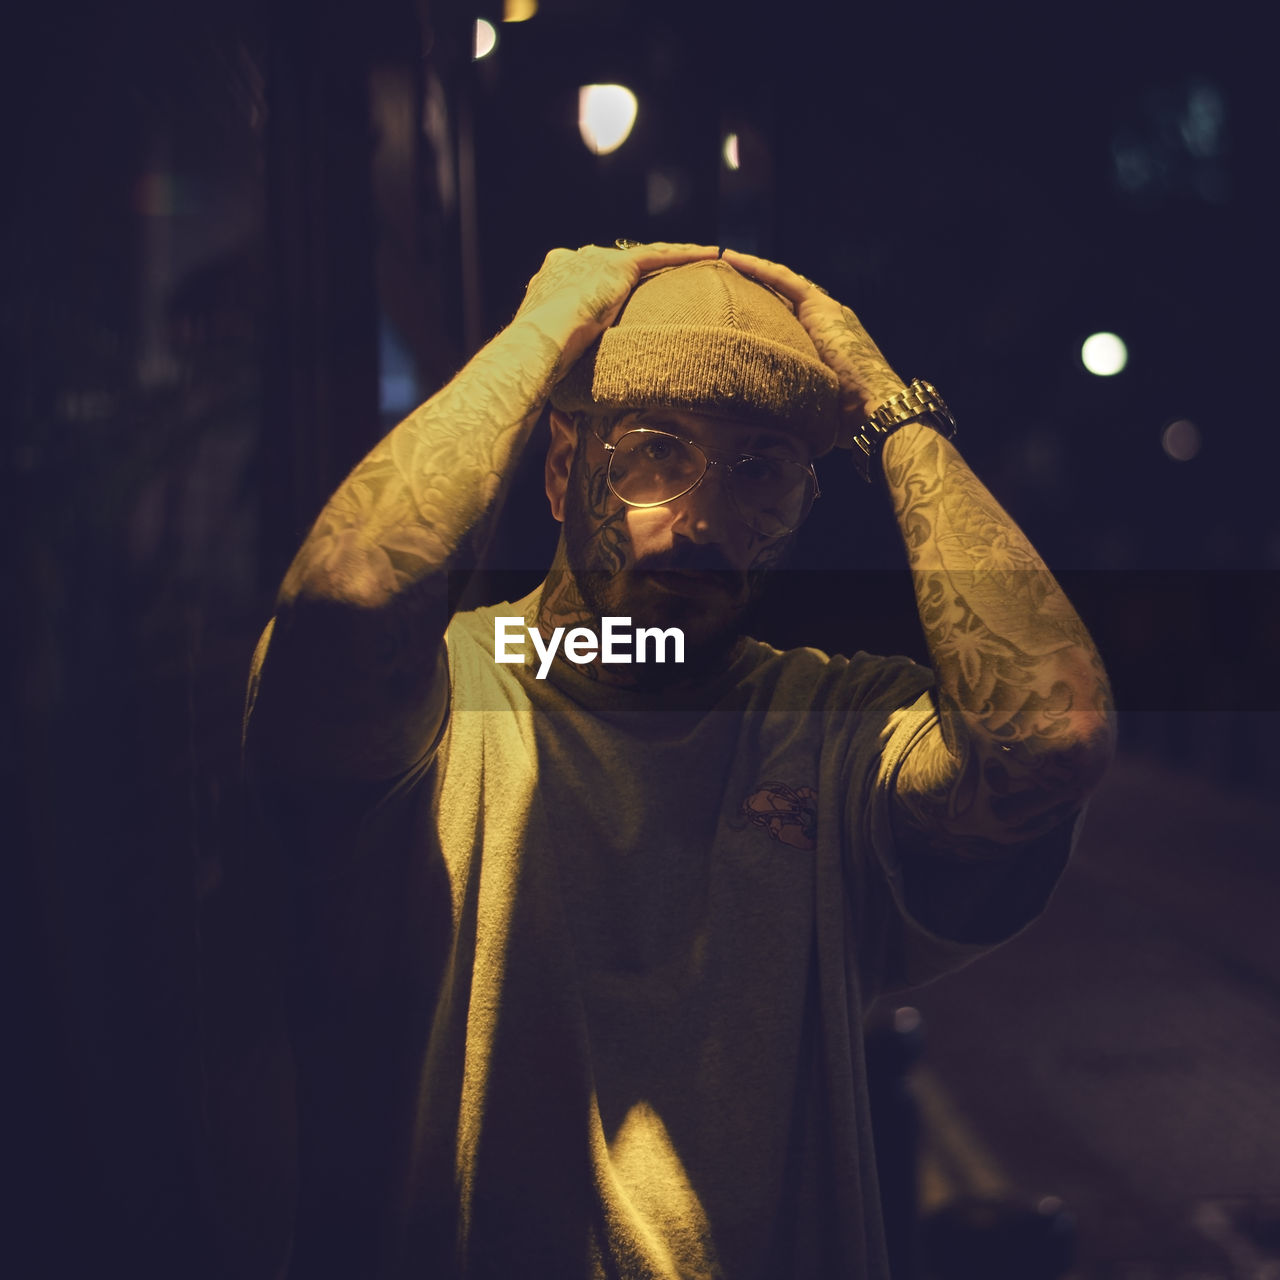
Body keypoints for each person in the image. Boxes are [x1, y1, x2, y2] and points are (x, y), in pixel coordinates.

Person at [242, 241, 1116, 1279]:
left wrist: (893, 410)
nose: (701, 519)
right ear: (565, 469)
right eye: (653, 451)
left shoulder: (824, 720)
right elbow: (346, 589)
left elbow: (1047, 731)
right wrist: (541, 334)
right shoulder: (446, 695)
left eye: (760, 469)